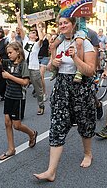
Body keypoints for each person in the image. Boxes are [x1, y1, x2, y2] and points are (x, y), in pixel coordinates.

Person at [33, 16, 96, 182]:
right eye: (60, 23)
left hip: (81, 87)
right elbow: (50, 68)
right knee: (57, 125)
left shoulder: (85, 43)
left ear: (73, 24)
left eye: (65, 23)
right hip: (62, 87)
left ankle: (88, 153)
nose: (62, 26)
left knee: (85, 122)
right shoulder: (58, 43)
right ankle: (50, 171)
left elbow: (90, 71)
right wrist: (53, 62)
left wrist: (75, 58)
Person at [0, 42, 38, 160]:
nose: (9, 55)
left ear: (18, 52)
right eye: (8, 53)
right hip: (8, 96)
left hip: (18, 98)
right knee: (7, 122)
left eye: (11, 52)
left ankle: (32, 133)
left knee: (16, 125)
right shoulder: (7, 62)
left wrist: (9, 76)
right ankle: (11, 149)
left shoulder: (23, 65)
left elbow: (26, 82)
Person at [50, 0, 88, 83]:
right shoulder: (61, 10)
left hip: (79, 30)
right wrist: (55, 34)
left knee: (79, 43)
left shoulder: (78, 4)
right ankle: (55, 67)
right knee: (53, 45)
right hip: (66, 32)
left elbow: (87, 16)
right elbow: (59, 23)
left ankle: (79, 70)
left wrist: (85, 3)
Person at [16, 11, 45, 115]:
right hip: (24, 67)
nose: (31, 33)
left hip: (34, 67)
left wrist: (38, 27)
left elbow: (41, 38)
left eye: (33, 33)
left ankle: (41, 105)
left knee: (38, 89)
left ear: (36, 36)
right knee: (22, 88)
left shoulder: (37, 44)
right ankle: (21, 110)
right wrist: (18, 17)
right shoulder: (25, 41)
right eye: (31, 32)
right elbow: (21, 28)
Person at [38, 22, 50, 102]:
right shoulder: (37, 36)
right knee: (37, 77)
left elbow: (51, 45)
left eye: (41, 27)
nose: (40, 28)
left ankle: (44, 93)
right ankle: (39, 91)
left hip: (45, 57)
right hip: (37, 57)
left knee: (41, 75)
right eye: (39, 27)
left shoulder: (47, 36)